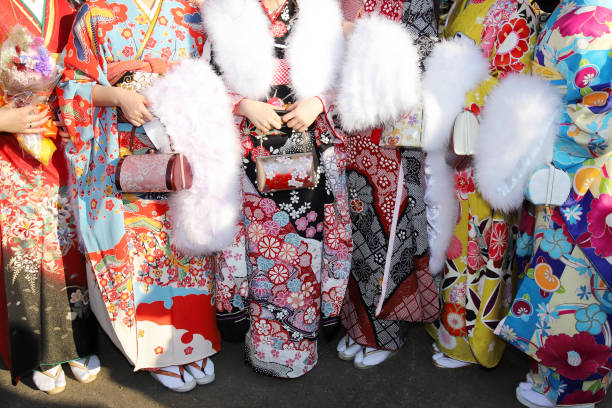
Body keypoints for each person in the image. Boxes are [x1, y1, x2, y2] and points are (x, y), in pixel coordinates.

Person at [57, 0, 221, 392]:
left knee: (185, 252)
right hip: (122, 154)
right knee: (142, 253)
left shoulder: (190, 10)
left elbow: (211, 76)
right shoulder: (95, 13)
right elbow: (70, 85)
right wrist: (119, 98)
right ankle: (156, 352)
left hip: (179, 147)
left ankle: (191, 340)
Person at [203, 0, 352, 378]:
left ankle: (297, 349)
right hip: (249, 152)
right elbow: (202, 83)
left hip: (306, 149)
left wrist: (318, 102)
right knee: (257, 249)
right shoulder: (225, 10)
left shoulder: (318, 12)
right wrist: (243, 106)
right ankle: (260, 342)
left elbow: (344, 78)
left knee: (302, 249)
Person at [494, 0, 612, 405]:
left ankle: (575, 391)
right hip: (558, 169)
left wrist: (542, 131)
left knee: (577, 287)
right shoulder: (571, 8)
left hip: (585, 175)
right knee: (551, 277)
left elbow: (602, 112)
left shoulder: (602, 18)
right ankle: (548, 375)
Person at [424, 0, 538, 369]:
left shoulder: (516, 10)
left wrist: (458, 94)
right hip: (454, 139)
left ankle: (472, 341)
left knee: (481, 242)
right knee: (454, 238)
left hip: (482, 141)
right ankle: (448, 327)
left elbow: (513, 82)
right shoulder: (465, 3)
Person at [0, 0, 99, 394]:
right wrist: (4, 120)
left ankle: (75, 342)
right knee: (24, 248)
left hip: (61, 146)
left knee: (67, 245)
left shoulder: (68, 9)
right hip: (8, 150)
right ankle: (34, 349)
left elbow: (82, 75)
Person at [335, 0, 440, 368]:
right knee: (355, 231)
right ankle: (356, 324)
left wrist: (364, 38)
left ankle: (385, 332)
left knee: (388, 228)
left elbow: (426, 50)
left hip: (390, 129)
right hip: (347, 128)